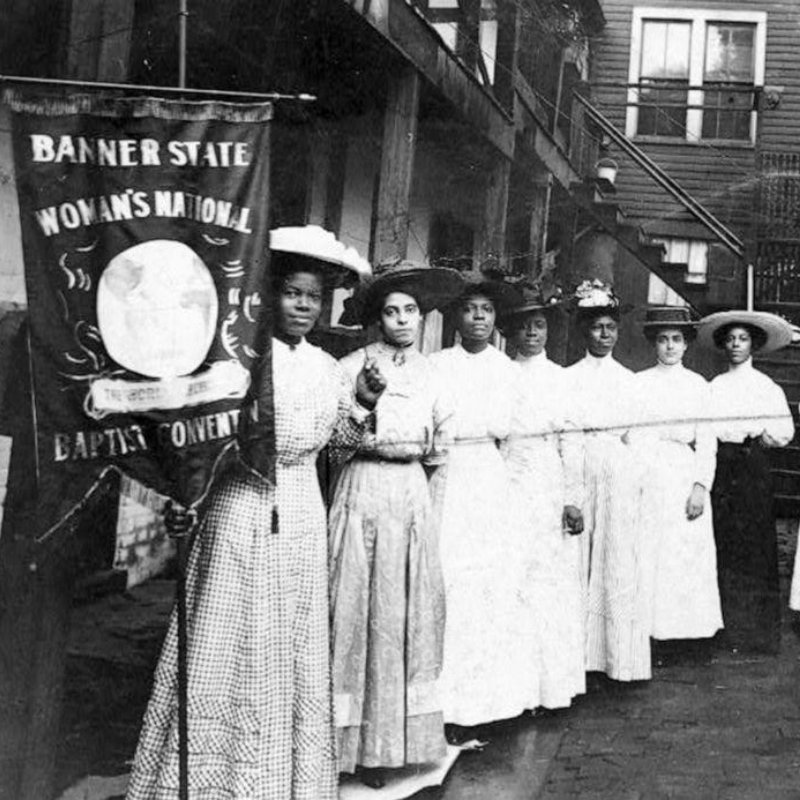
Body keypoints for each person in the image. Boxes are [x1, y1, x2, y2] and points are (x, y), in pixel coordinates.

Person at [127, 226, 384, 800]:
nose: (302, 306)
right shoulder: (240, 358)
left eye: (313, 298)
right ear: (271, 295)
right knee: (230, 629)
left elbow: (340, 442)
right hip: (240, 507)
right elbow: (201, 434)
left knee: (289, 639)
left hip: (300, 509)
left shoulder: (325, 367)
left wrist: (365, 400)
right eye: (292, 293)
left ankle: (281, 781)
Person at [328, 260, 463, 787]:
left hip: (410, 494)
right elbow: (336, 442)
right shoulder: (351, 367)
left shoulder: (434, 375)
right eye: (391, 311)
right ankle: (352, 746)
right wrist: (366, 400)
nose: (402, 320)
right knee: (356, 609)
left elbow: (442, 451)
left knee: (402, 613)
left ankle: (396, 745)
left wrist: (428, 516)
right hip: (362, 486)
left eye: (410, 311)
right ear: (377, 318)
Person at [428, 272, 536, 739]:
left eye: (486, 311)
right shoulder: (434, 366)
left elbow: (516, 442)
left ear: (495, 320)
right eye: (470, 309)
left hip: (489, 482)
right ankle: (443, 705)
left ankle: (490, 703)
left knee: (490, 586)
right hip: (447, 477)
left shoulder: (509, 372)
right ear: (455, 316)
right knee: (449, 582)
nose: (478, 317)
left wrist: (507, 495)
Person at [499, 282, 586, 710]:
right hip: (509, 476)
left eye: (539, 326)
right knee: (511, 578)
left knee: (547, 580)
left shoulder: (561, 379)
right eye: (524, 327)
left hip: (548, 480)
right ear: (511, 333)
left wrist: (572, 497)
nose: (532, 334)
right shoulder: (501, 373)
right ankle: (513, 689)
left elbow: (572, 439)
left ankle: (548, 688)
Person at [564, 280, 651, 682]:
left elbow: (639, 437)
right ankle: (578, 659)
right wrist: (571, 491)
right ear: (585, 331)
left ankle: (616, 657)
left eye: (610, 328)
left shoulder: (629, 382)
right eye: (597, 327)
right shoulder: (569, 378)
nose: (604, 334)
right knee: (578, 558)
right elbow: (567, 435)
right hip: (582, 464)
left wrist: (633, 476)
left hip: (618, 469)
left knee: (615, 560)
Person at [698, 309, 794, 654]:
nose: (736, 345)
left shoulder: (765, 387)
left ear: (753, 344)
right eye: (731, 339)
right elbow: (705, 432)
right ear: (723, 345)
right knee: (724, 542)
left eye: (743, 339)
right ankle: (726, 628)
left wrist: (763, 439)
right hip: (723, 466)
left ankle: (757, 634)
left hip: (752, 467)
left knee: (755, 545)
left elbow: (785, 430)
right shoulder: (714, 387)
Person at [634, 307, 722, 659]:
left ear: (686, 345)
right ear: (654, 344)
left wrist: (701, 486)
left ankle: (689, 634)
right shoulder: (639, 383)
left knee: (686, 553)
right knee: (651, 552)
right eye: (663, 339)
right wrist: (638, 477)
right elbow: (634, 436)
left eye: (676, 339)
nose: (669, 346)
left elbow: (707, 441)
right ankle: (650, 632)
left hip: (684, 472)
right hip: (650, 470)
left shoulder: (698, 386)